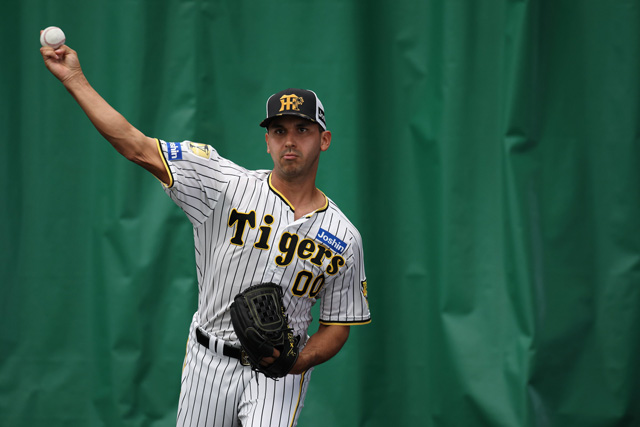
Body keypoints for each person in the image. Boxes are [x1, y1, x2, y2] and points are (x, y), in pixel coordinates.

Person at [41, 42, 371, 427]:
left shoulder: (343, 236)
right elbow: (135, 145)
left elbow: (337, 325)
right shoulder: (222, 184)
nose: (290, 140)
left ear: (324, 140)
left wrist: (300, 361)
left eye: (303, 129)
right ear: (267, 142)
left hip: (280, 375)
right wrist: (75, 79)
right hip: (209, 363)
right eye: (278, 131)